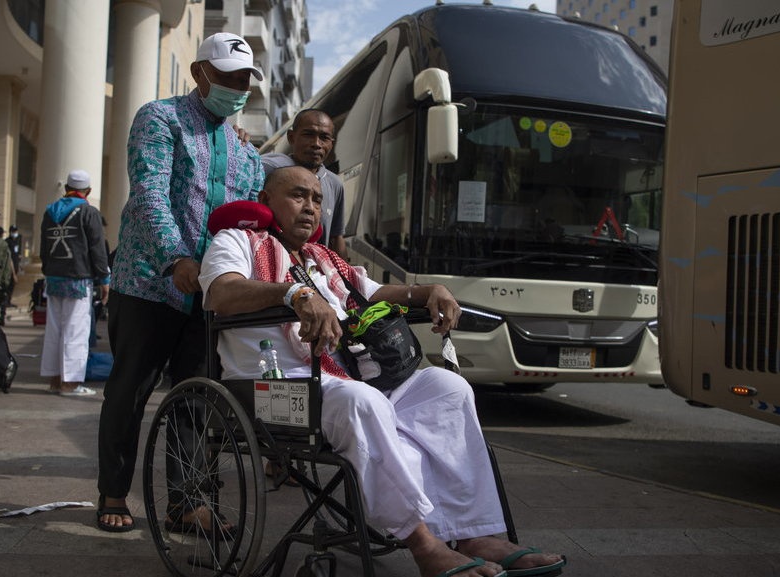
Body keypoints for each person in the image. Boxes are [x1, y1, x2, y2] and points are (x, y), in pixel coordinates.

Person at [199, 166, 567, 577]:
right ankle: (425, 545)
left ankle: (473, 533)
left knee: (448, 388)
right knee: (364, 401)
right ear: (266, 202)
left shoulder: (325, 259)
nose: (310, 208)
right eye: (298, 196)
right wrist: (294, 293)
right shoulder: (237, 241)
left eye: (317, 200)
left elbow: (373, 292)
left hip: (347, 378)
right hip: (273, 389)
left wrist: (428, 291)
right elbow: (221, 292)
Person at [96, 31, 266, 532]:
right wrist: (175, 258)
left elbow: (249, 219)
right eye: (228, 78)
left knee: (196, 399)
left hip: (208, 295)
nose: (236, 89)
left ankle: (186, 504)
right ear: (200, 73)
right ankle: (112, 492)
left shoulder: (246, 154)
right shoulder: (160, 117)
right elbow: (148, 190)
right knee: (130, 392)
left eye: (244, 82)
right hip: (149, 283)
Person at [39, 169, 110, 397]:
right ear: (87, 191)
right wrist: (104, 278)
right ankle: (71, 384)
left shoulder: (50, 212)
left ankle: (55, 379)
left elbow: (43, 249)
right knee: (75, 331)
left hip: (53, 279)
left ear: (65, 188)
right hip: (78, 279)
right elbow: (97, 248)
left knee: (54, 330)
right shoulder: (88, 212)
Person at [262, 108, 347, 258]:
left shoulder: (335, 184)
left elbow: (336, 237)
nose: (316, 144)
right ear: (291, 137)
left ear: (331, 144)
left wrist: (346, 278)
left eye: (324, 137)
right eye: (308, 135)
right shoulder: (267, 169)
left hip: (314, 274)